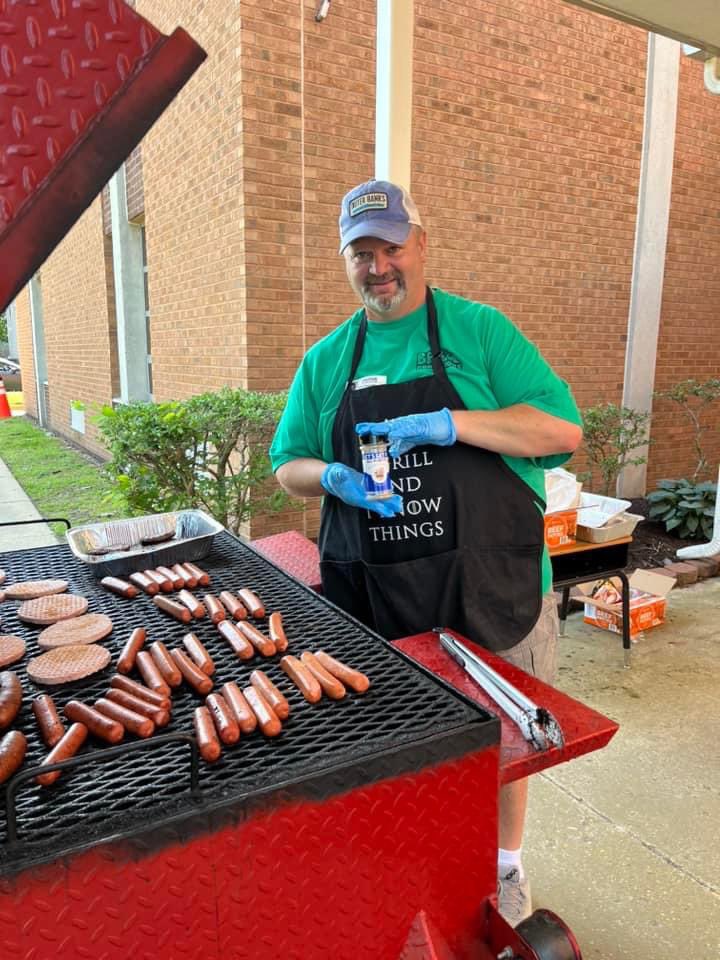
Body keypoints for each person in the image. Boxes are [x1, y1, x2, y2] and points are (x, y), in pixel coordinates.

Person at [270, 179, 583, 925]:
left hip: (494, 580)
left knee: (509, 741)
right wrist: (335, 478)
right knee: (398, 746)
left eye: (391, 247)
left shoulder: (480, 333)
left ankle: (505, 865)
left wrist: (455, 423)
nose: (378, 267)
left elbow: (561, 431)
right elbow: (289, 466)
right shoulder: (326, 360)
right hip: (377, 595)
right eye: (361, 253)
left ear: (422, 244)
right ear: (346, 262)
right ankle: (409, 863)